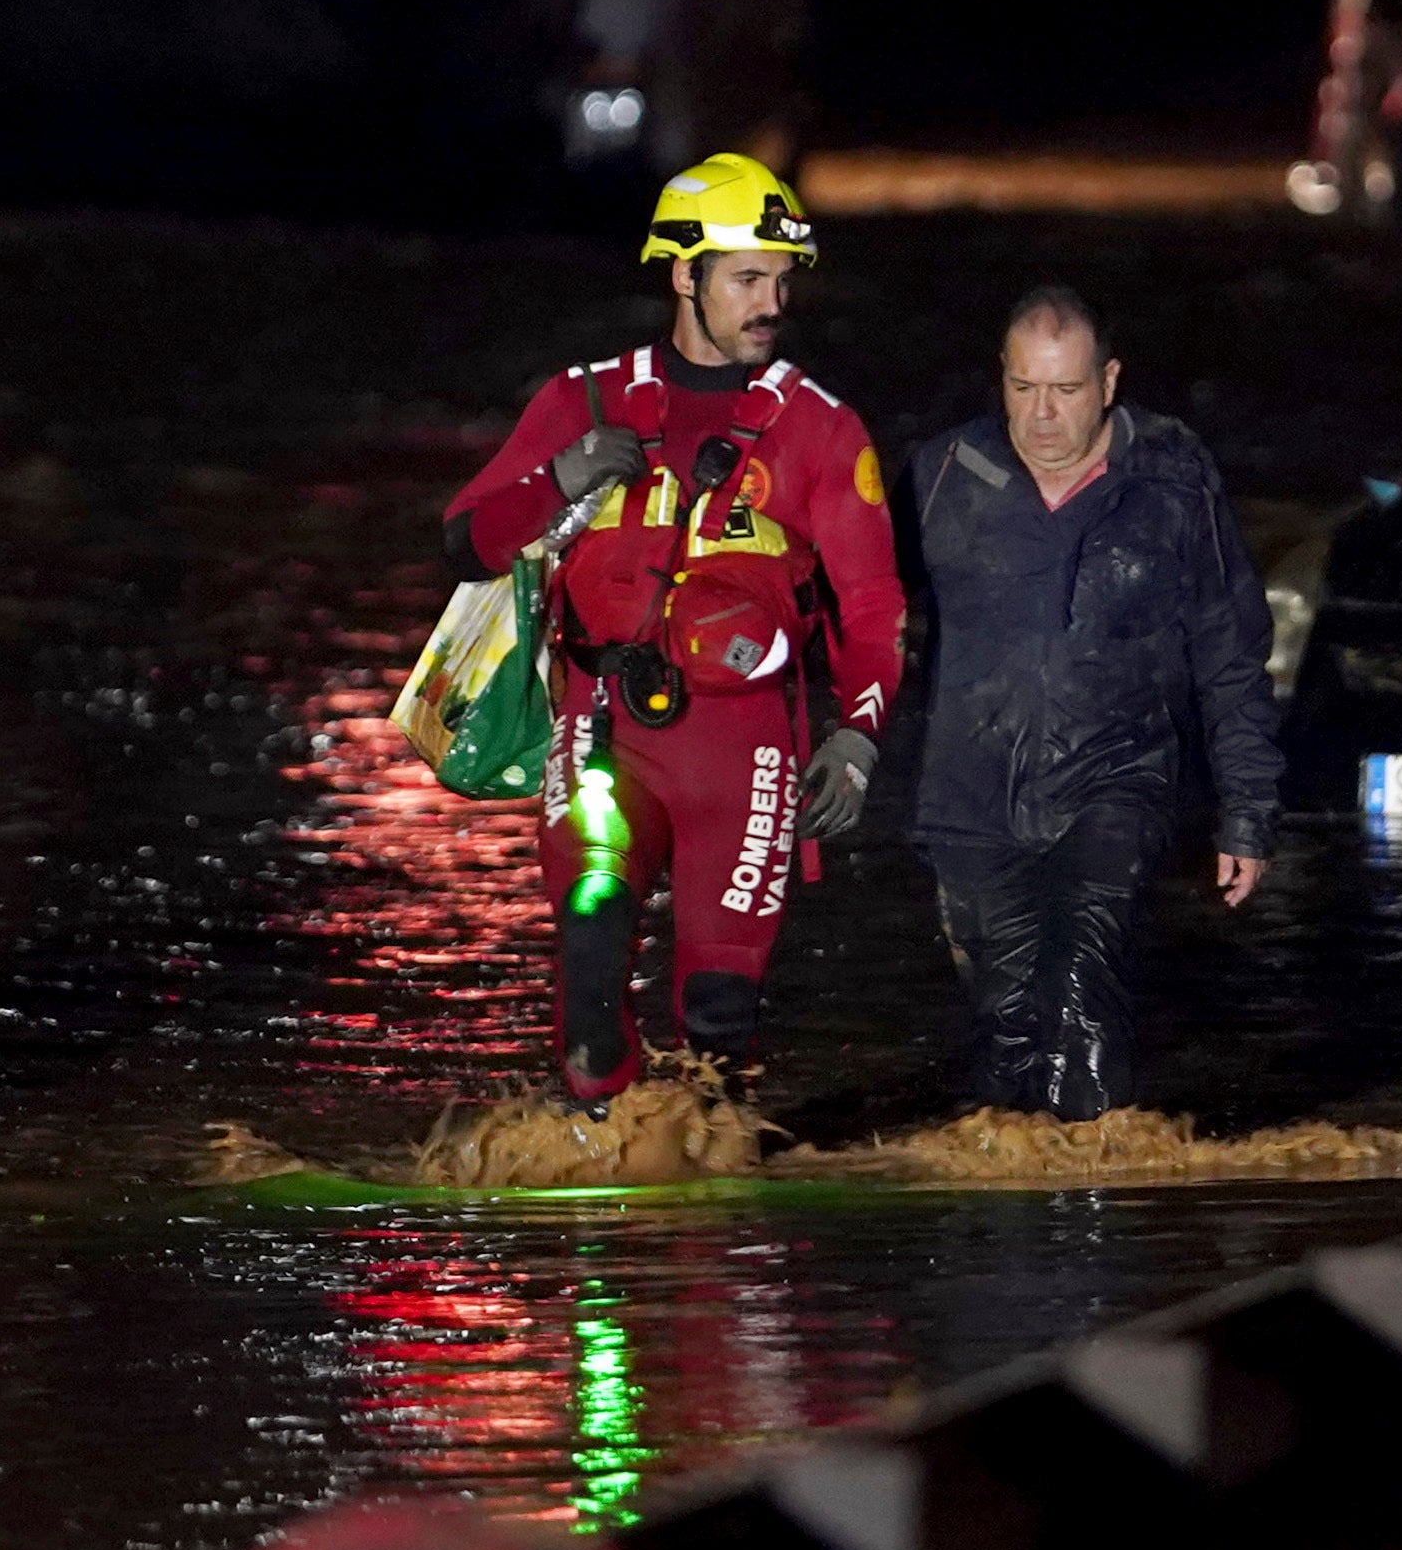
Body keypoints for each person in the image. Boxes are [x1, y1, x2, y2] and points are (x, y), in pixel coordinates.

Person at [441, 156, 906, 1101]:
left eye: (782, 280)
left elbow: (872, 609)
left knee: (719, 1022)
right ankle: (591, 1173)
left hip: (747, 753)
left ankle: (713, 1207)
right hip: (602, 727)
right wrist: (558, 481)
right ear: (682, 274)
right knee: (588, 953)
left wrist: (857, 735)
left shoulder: (823, 431)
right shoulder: (581, 403)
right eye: (746, 278)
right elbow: (465, 543)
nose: (771, 302)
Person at [902, 287, 1282, 1121]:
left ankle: (1095, 1213)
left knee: (1080, 992)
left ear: (1108, 381)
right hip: (971, 793)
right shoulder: (940, 477)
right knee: (1006, 1029)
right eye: (1022, 388)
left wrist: (1246, 809)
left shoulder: (1172, 479)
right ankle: (1006, 1220)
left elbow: (1230, 646)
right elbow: (854, 614)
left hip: (1119, 780)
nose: (1041, 416)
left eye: (1065, 391)